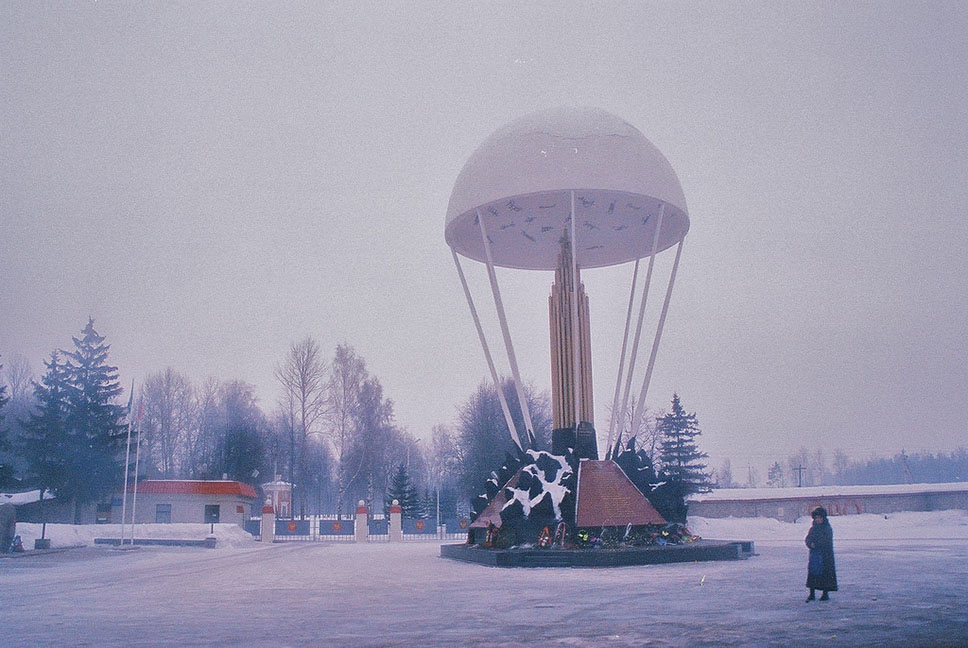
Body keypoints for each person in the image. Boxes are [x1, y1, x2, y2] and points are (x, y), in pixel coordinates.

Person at [805, 506, 838, 601]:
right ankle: (812, 593)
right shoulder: (813, 529)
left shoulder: (827, 528)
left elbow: (826, 541)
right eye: (816, 518)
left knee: (825, 575)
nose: (818, 519)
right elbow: (808, 538)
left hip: (825, 555)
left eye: (819, 517)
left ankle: (825, 593)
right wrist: (810, 544)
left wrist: (817, 544)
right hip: (815, 555)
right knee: (813, 574)